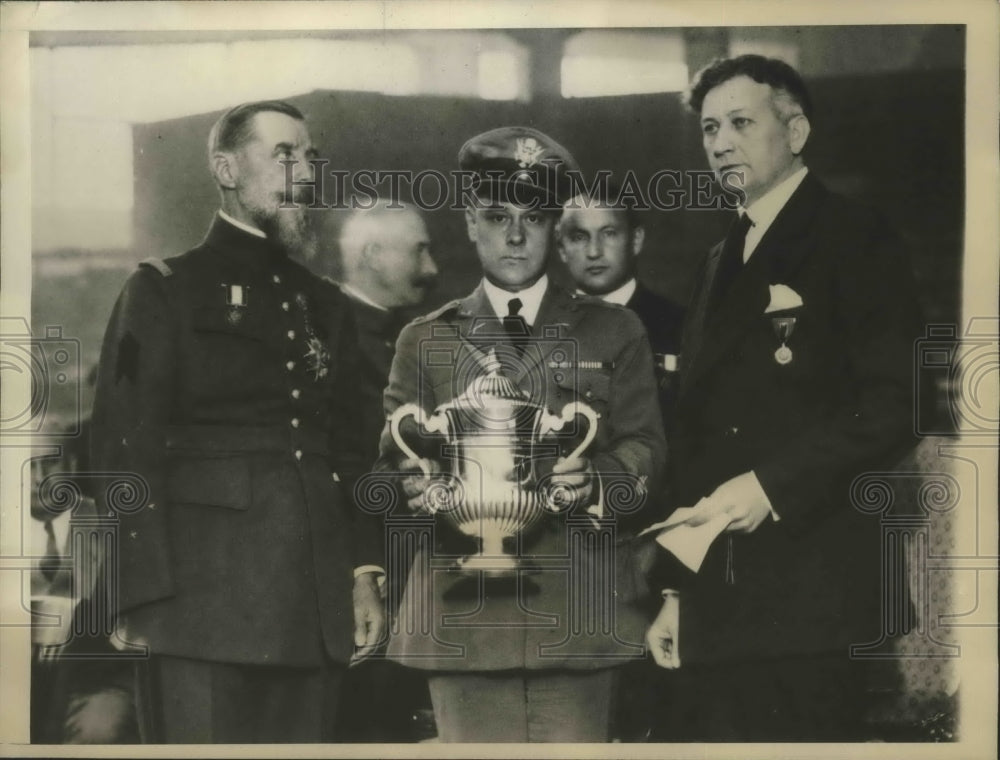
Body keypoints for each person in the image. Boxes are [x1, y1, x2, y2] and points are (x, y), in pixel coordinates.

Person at [643, 55, 923, 741]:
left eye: (741, 122)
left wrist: (770, 486)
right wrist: (676, 590)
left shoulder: (856, 235)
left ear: (795, 131)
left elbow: (897, 403)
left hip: (814, 600)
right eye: (710, 128)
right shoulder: (717, 259)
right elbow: (695, 435)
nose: (720, 143)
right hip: (720, 603)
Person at [90, 100, 386, 743]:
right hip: (196, 609)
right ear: (226, 170)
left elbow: (354, 452)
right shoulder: (164, 289)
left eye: (308, 156)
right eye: (283, 155)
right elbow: (121, 444)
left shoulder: (326, 304)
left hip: (312, 608)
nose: (303, 172)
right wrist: (132, 591)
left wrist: (364, 573)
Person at [374, 127, 666, 742]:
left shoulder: (615, 331)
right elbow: (389, 464)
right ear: (469, 223)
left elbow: (646, 447)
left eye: (532, 218)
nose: (514, 235)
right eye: (496, 216)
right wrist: (412, 485)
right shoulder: (425, 339)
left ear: (554, 227)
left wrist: (596, 480)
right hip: (463, 620)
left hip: (582, 612)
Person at [333, 201, 438, 742]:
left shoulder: (416, 336)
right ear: (373, 255)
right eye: (418, 251)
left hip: (414, 570)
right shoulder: (330, 336)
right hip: (358, 572)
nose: (432, 268)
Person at [558, 185, 685, 461]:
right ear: (561, 249)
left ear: (636, 240)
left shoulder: (679, 326)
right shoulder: (543, 329)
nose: (594, 251)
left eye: (609, 234)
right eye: (579, 237)